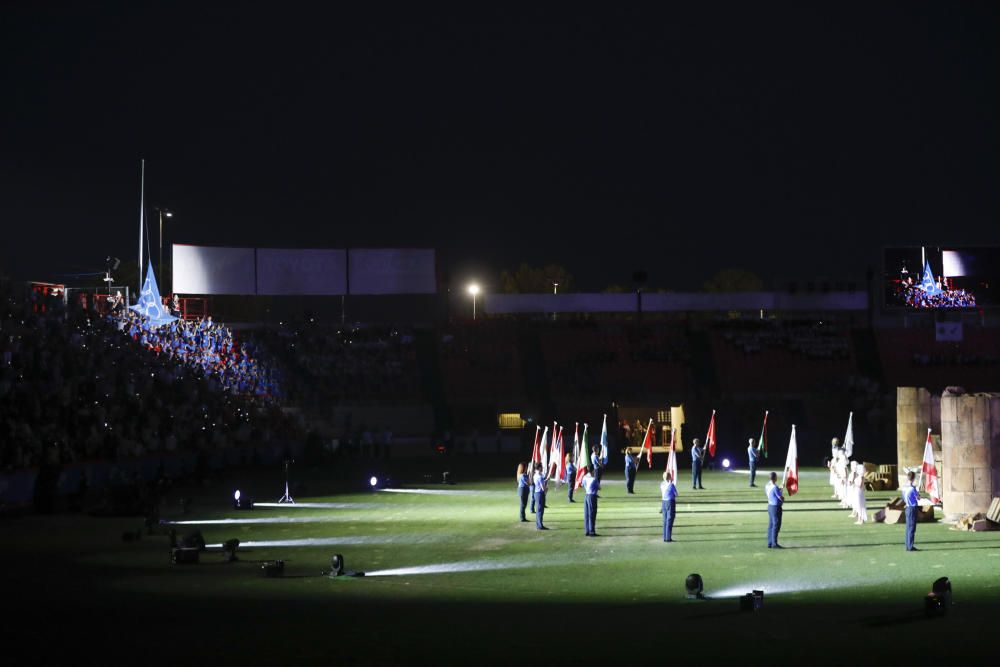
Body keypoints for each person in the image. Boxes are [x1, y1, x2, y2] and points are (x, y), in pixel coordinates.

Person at [765, 471, 784, 548]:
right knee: (776, 525)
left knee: (771, 525)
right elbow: (780, 497)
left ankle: (770, 542)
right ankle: (774, 543)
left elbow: (773, 492)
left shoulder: (767, 485)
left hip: (770, 506)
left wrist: (780, 488)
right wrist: (783, 498)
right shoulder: (775, 487)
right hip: (775, 507)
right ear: (775, 478)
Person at [903, 470, 919, 551]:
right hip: (912, 508)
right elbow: (918, 497)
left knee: (908, 527)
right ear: (913, 478)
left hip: (907, 508)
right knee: (912, 527)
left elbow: (903, 497)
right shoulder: (913, 489)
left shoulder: (904, 488)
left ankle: (907, 545)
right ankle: (910, 546)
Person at [582, 465, 600, 536]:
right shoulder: (593, 479)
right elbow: (599, 487)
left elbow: (583, 485)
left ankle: (587, 530)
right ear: (592, 470)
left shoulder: (585, 477)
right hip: (592, 496)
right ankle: (592, 531)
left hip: (586, 495)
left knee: (586, 514)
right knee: (592, 514)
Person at [660, 471, 678, 542]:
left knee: (665, 520)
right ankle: (668, 538)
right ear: (669, 477)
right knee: (669, 520)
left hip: (664, 502)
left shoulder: (661, 484)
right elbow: (676, 494)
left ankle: (665, 537)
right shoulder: (671, 485)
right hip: (670, 502)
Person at [533, 463, 549, 530]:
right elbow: (543, 488)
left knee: (538, 509)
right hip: (540, 494)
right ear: (539, 468)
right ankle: (540, 525)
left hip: (536, 493)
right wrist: (546, 488)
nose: (542, 468)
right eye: (541, 467)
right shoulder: (540, 477)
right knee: (540, 510)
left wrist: (545, 480)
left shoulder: (535, 475)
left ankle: (538, 524)